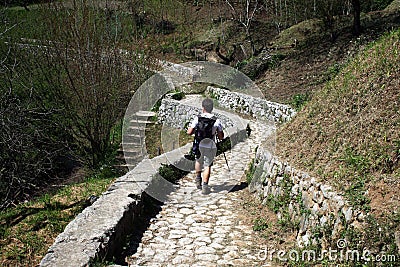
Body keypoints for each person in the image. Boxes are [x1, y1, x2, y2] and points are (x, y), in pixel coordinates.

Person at [187, 98, 224, 194]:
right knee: (207, 165)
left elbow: (189, 132)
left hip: (198, 144)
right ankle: (205, 186)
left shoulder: (197, 118)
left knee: (198, 161)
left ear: (203, 107)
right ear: (212, 108)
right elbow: (221, 137)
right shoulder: (216, 120)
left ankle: (198, 179)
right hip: (210, 146)